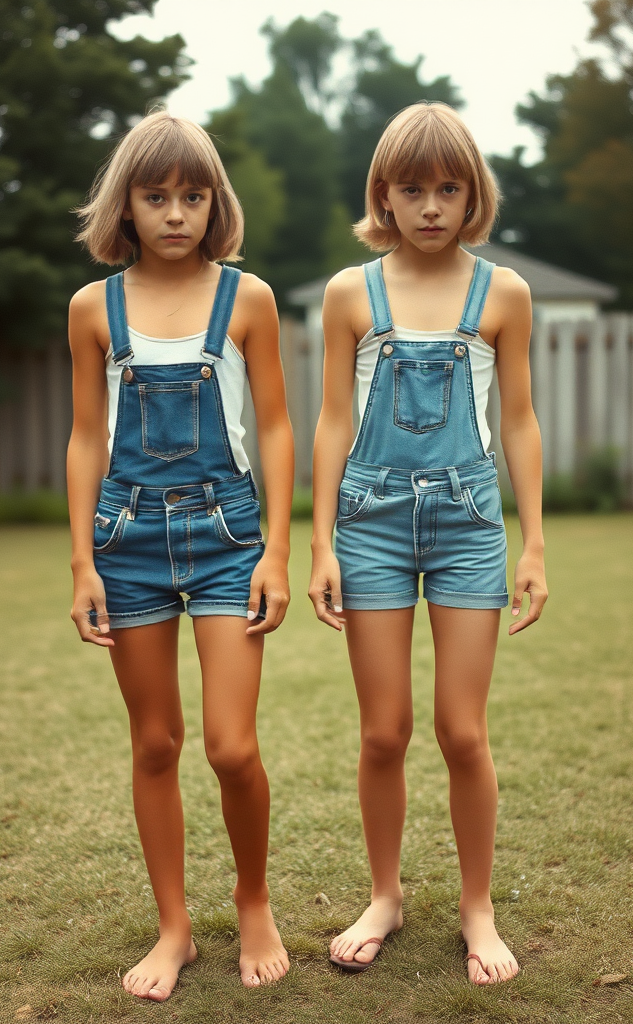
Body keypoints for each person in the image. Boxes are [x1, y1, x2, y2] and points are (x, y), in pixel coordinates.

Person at [309, 102, 547, 985]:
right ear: (385, 195)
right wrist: (322, 541)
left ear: (471, 193)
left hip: (469, 525)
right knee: (384, 732)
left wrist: (534, 545)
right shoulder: (348, 295)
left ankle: (476, 909)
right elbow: (333, 419)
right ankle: (385, 895)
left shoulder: (505, 294)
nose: (433, 205)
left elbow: (517, 421)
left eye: (450, 187)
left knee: (461, 731)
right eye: (414, 189)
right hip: (368, 526)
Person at [67, 110, 294, 1000]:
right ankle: (175, 929)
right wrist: (81, 560)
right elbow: (87, 437)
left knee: (232, 748)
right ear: (127, 203)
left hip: (228, 538)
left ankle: (254, 901)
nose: (174, 213)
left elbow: (273, 426)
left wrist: (279, 548)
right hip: (124, 545)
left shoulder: (251, 299)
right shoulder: (93, 309)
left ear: (214, 203)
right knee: (155, 742)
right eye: (156, 196)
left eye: (192, 196)